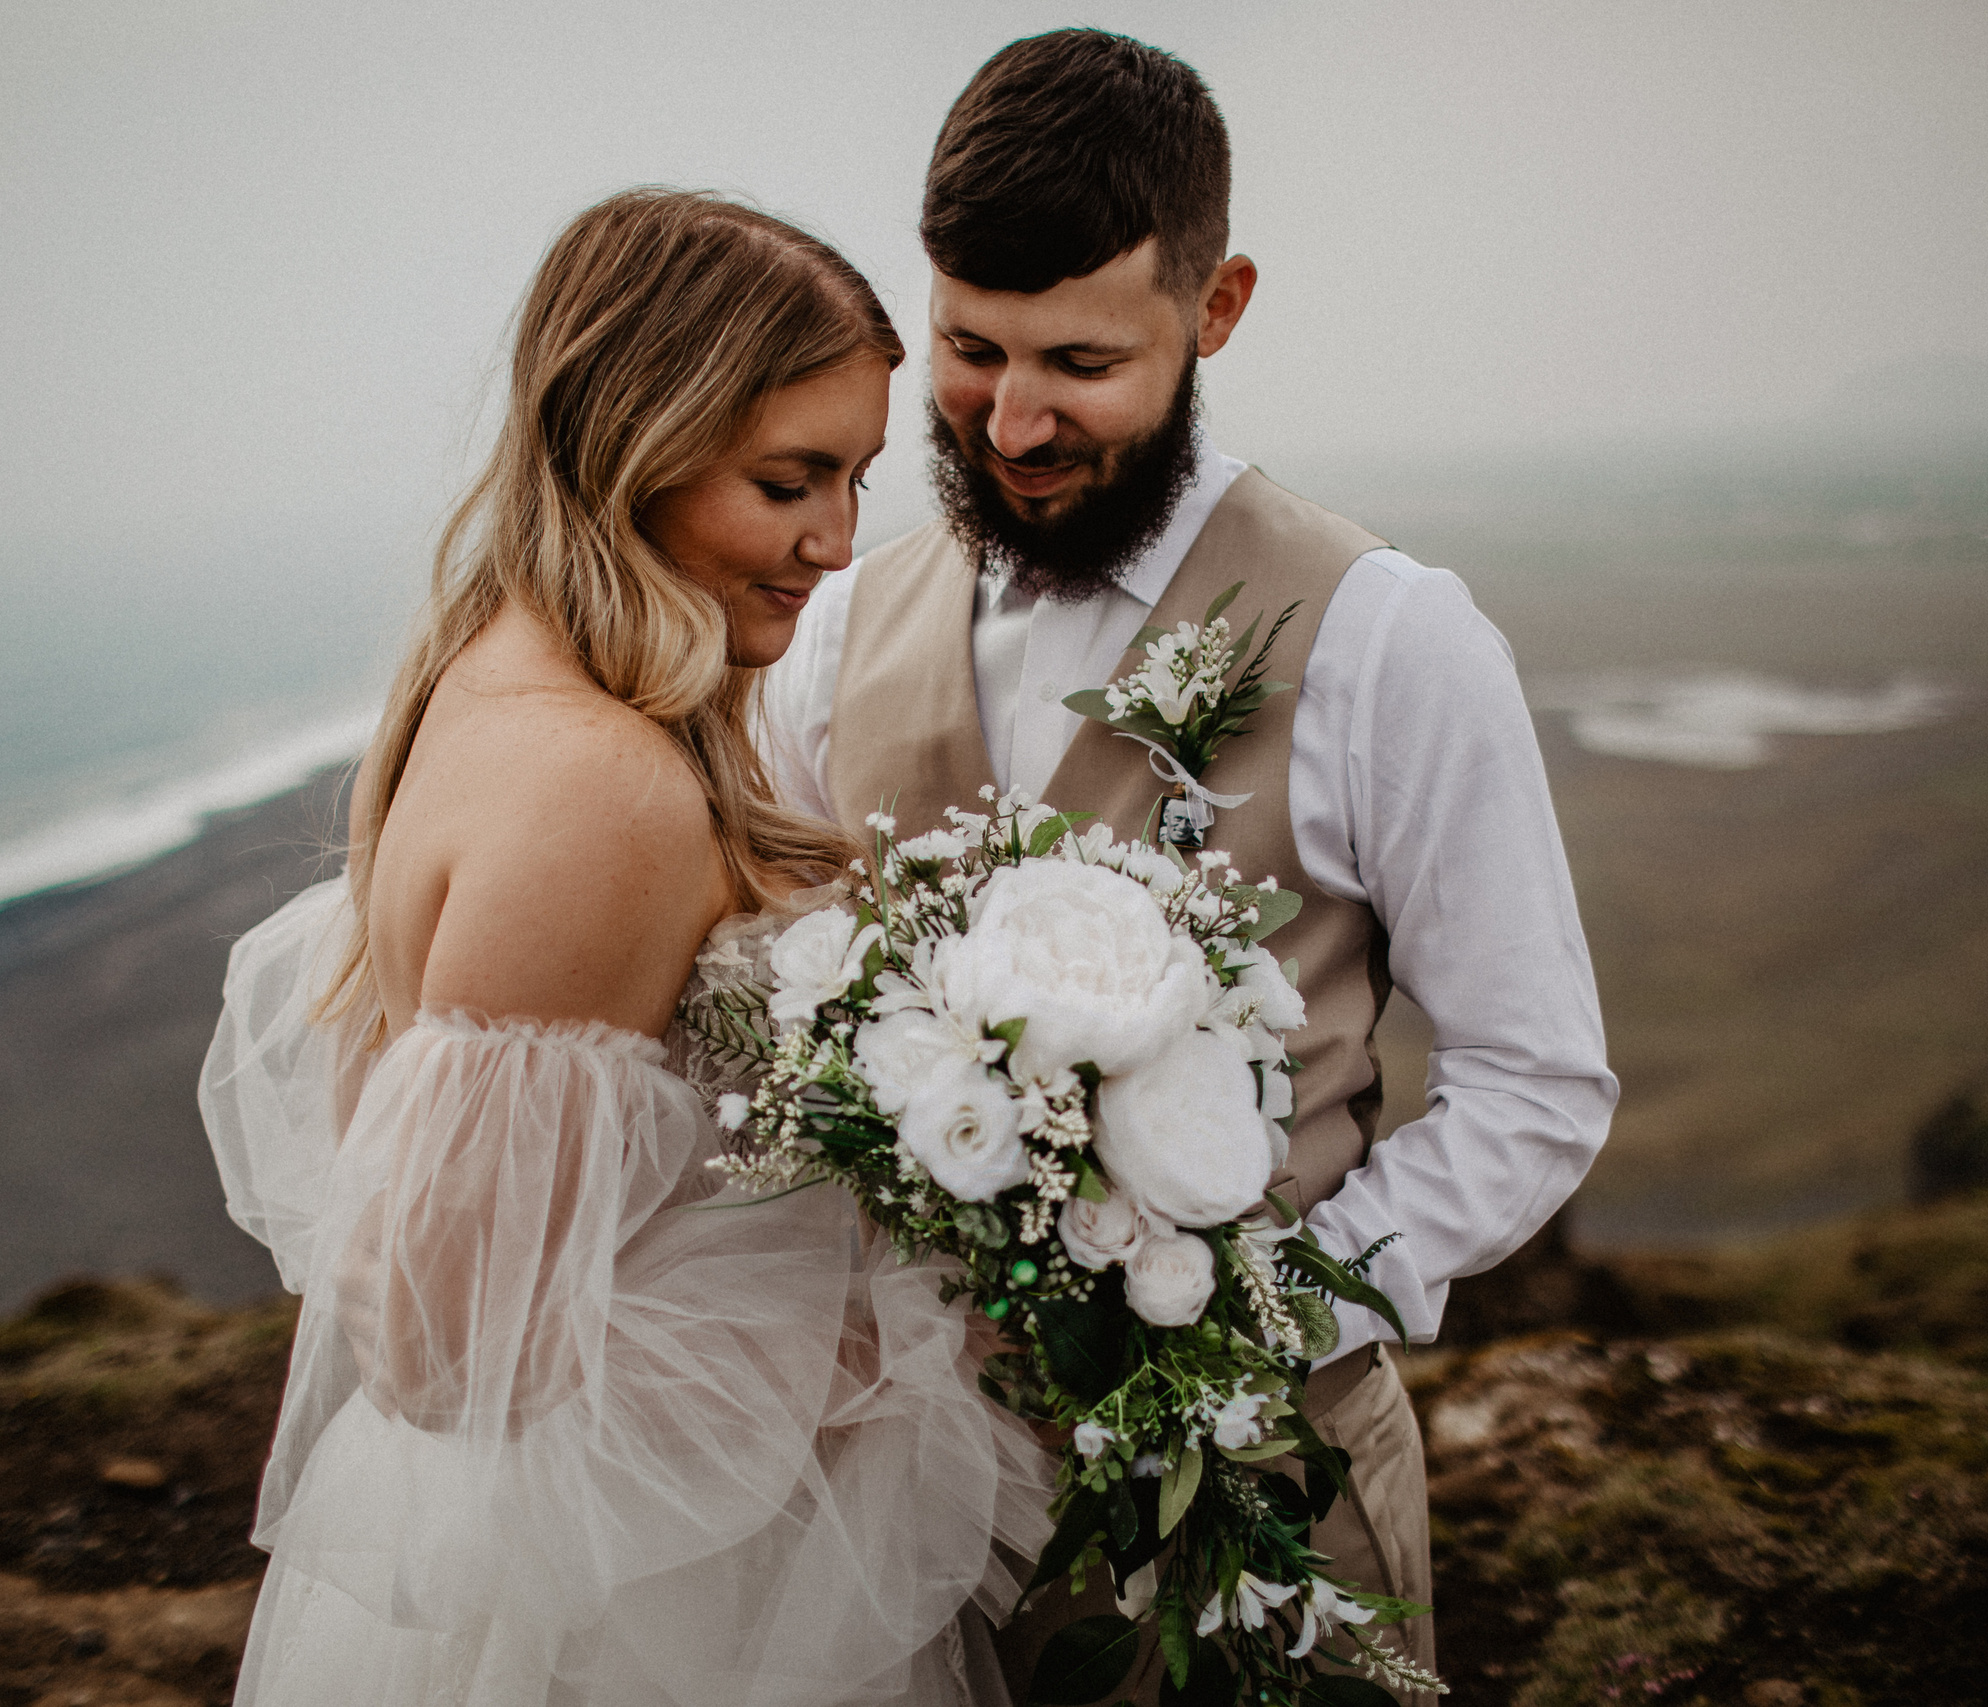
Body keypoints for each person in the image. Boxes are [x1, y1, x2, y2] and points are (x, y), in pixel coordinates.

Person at [761, 30, 1620, 1702]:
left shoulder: (1389, 638)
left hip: (1265, 1502)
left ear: (1215, 309)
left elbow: (1537, 1081)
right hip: (902, 1518)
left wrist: (1267, 1318)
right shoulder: (843, 626)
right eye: (967, 349)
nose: (1009, 420)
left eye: (1077, 360)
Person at [199, 188, 1050, 1707]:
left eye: (856, 479)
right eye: (791, 481)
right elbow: (439, 1347)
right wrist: (878, 1349)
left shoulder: (495, 671)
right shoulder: (604, 791)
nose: (837, 543)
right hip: (648, 1618)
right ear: (634, 442)